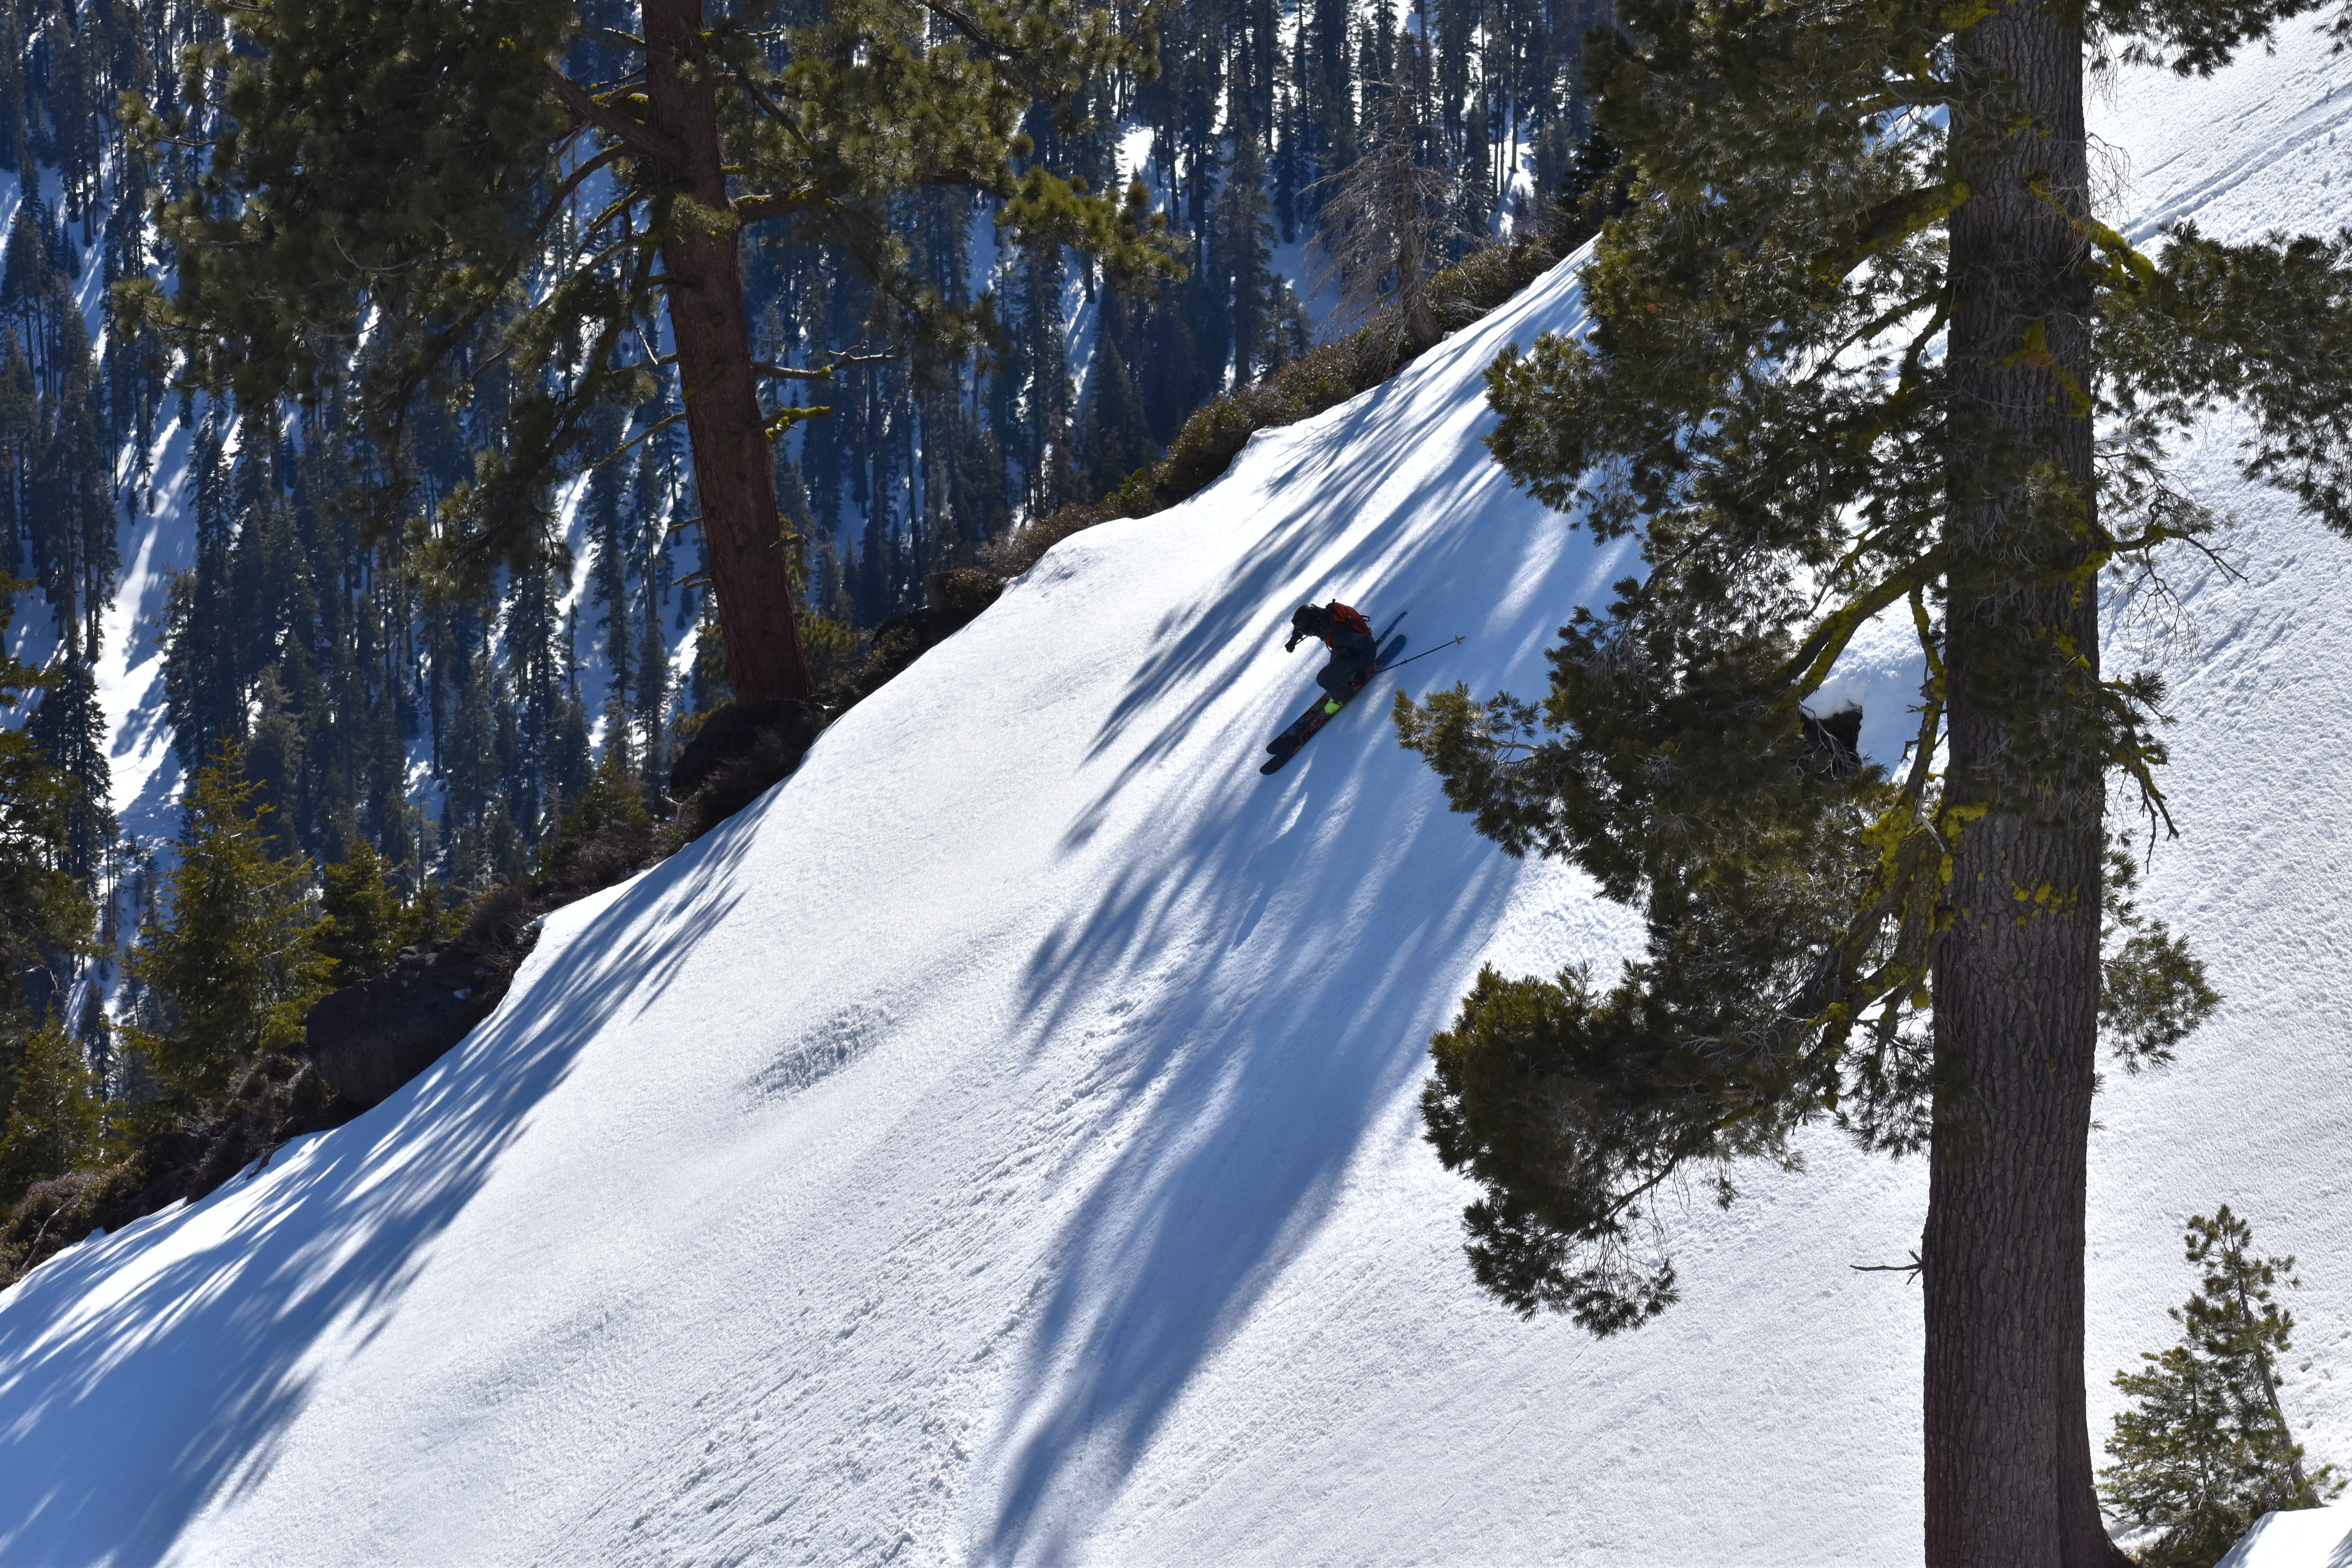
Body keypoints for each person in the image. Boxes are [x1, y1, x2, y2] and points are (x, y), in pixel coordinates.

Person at [1283, 600, 1380, 703]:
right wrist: (1293, 641)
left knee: (1324, 679)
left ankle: (1344, 697)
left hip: (1357, 654)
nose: (1308, 634)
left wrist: (1362, 671)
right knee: (1334, 669)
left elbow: (1369, 644)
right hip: (1348, 649)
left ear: (1314, 626)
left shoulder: (1338, 636)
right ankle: (1343, 682)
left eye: (1307, 632)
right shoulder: (1323, 615)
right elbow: (1303, 626)